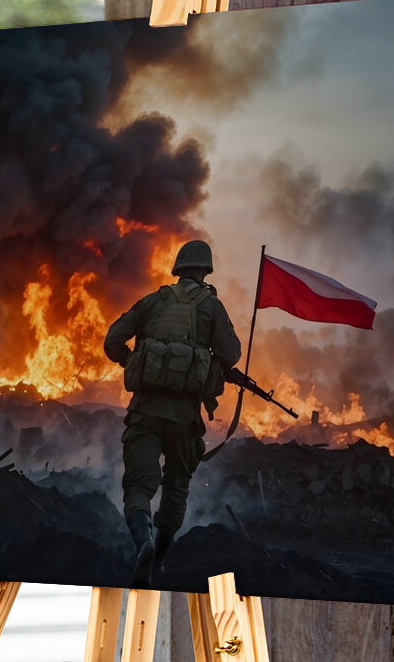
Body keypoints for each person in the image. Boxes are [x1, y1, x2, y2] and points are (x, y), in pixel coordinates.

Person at [103, 240, 242, 587]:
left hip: (145, 411)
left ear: (178, 269)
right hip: (184, 419)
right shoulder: (211, 306)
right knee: (176, 487)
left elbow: (112, 341)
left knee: (138, 485)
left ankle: (143, 544)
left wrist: (133, 361)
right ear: (205, 271)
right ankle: (159, 561)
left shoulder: (153, 301)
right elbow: (231, 354)